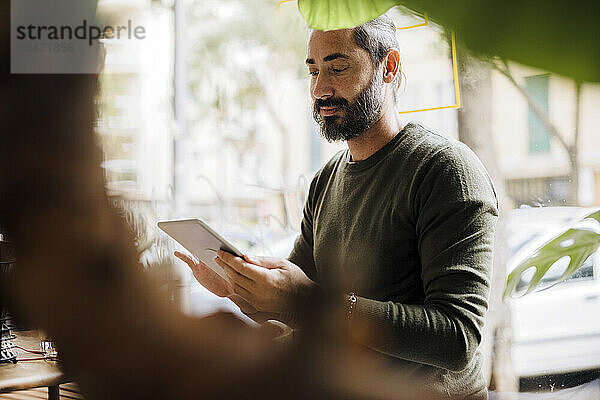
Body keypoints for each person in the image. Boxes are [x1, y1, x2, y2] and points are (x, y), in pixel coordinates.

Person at [177, 15, 498, 400]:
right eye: (313, 71)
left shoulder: (445, 170)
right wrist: (237, 287)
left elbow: (457, 340)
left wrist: (307, 299)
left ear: (389, 67)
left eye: (338, 68)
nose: (320, 89)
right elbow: (295, 309)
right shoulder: (326, 179)